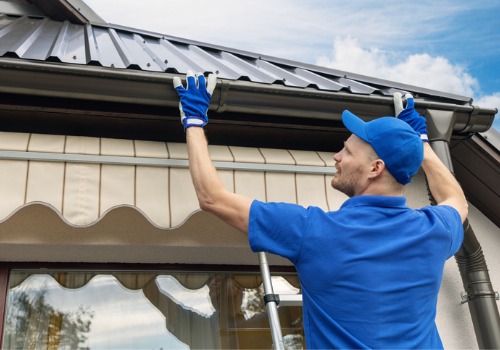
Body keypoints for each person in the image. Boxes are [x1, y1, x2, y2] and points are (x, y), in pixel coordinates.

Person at [173, 71, 468, 349]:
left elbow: (212, 198)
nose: (337, 157)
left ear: (376, 168)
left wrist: (195, 122)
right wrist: (422, 145)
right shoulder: (434, 231)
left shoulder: (314, 232)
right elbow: (456, 199)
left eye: (348, 152)